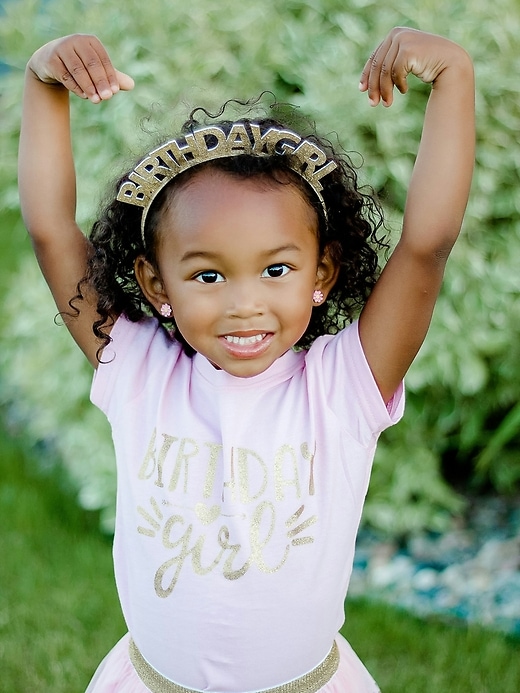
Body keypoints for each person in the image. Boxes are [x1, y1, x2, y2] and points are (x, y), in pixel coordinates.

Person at [18, 25, 474, 693]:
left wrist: (454, 76)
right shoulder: (137, 370)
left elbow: (427, 245)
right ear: (156, 286)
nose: (243, 304)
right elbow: (51, 229)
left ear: (321, 274)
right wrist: (41, 82)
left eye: (276, 269)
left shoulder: (343, 386)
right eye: (207, 275)